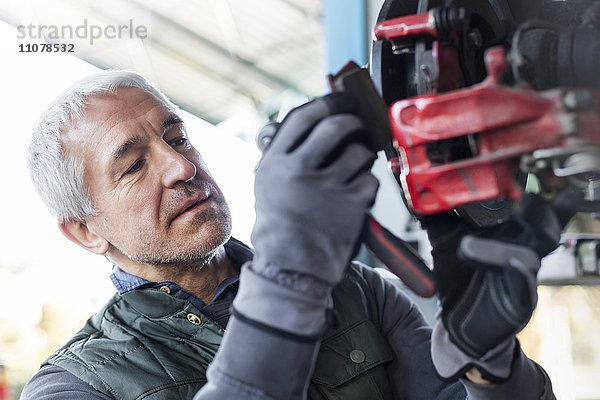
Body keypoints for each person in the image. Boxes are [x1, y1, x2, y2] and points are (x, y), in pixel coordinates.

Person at [21, 70, 560, 399]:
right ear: (85, 232)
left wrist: (493, 369)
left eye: (178, 138)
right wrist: (288, 277)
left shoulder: (360, 293)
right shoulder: (76, 386)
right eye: (134, 166)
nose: (180, 167)